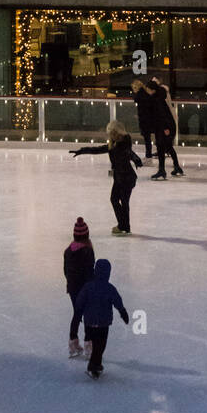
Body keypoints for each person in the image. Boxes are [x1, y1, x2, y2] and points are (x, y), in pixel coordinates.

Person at [71, 120, 144, 235]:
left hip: (127, 178)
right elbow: (98, 149)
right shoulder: (112, 144)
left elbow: (129, 152)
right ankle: (124, 226)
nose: (111, 135)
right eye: (110, 133)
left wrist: (136, 159)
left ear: (118, 132)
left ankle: (123, 226)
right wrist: (82, 150)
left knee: (124, 202)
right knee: (115, 200)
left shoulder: (124, 143)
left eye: (113, 133)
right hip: (119, 177)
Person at [73, 258, 130, 379]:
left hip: (89, 322)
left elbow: (79, 301)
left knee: (96, 345)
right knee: (100, 346)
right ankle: (93, 366)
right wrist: (123, 312)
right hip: (103, 323)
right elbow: (117, 301)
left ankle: (95, 365)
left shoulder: (88, 286)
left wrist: (78, 314)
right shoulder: (110, 288)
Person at [63, 216, 95, 358]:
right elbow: (90, 271)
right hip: (85, 289)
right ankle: (89, 344)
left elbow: (65, 271)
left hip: (73, 288)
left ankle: (73, 342)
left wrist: (71, 283)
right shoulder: (88, 251)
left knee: (77, 313)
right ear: (87, 235)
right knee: (88, 316)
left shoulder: (68, 251)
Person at [143, 76, 183, 179]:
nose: (147, 91)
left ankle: (162, 170)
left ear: (152, 89)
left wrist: (166, 128)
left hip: (164, 127)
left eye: (148, 89)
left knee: (162, 147)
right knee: (167, 147)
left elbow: (162, 114)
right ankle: (175, 167)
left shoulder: (157, 99)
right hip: (164, 126)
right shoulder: (159, 97)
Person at [130, 77, 156, 159]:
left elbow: (139, 102)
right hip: (148, 118)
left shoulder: (140, 95)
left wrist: (140, 115)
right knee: (148, 138)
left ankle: (148, 154)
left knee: (147, 138)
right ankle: (149, 153)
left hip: (145, 119)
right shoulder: (145, 93)